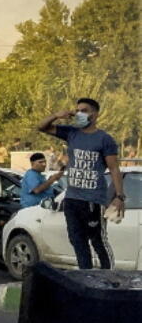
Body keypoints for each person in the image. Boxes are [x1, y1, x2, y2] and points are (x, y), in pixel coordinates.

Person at [37, 98, 126, 269]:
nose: (79, 114)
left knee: (97, 240)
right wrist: (57, 115)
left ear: (95, 114)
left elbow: (115, 169)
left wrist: (119, 197)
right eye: (77, 110)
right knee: (77, 240)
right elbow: (41, 127)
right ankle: (86, 275)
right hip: (72, 198)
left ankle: (109, 277)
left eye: (84, 110)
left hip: (93, 200)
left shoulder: (105, 139)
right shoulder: (71, 133)